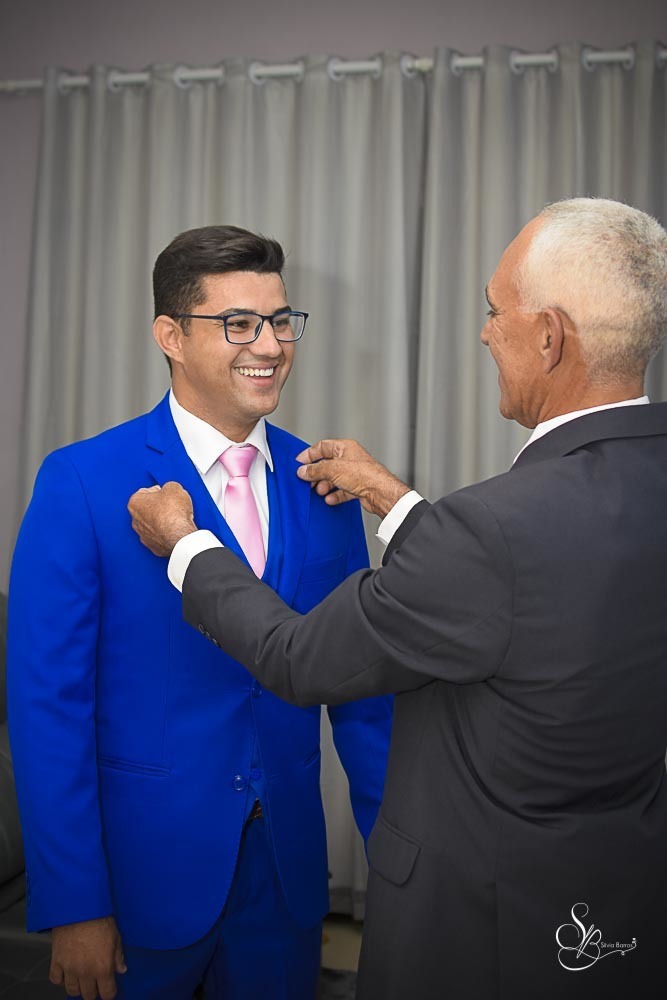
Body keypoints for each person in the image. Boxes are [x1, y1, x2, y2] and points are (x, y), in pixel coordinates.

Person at [128, 199, 667, 1000]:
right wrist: (398, 501)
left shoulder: (494, 528)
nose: (483, 332)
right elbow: (543, 582)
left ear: (548, 337)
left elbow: (298, 658)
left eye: (495, 311)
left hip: (486, 918)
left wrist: (185, 545)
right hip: (617, 895)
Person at [7, 225, 392, 1000]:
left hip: (284, 878)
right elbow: (47, 707)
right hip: (139, 877)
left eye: (279, 320)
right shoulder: (82, 480)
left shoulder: (324, 484)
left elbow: (361, 692)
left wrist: (398, 862)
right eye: (238, 323)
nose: (270, 345)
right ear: (170, 337)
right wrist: (75, 902)